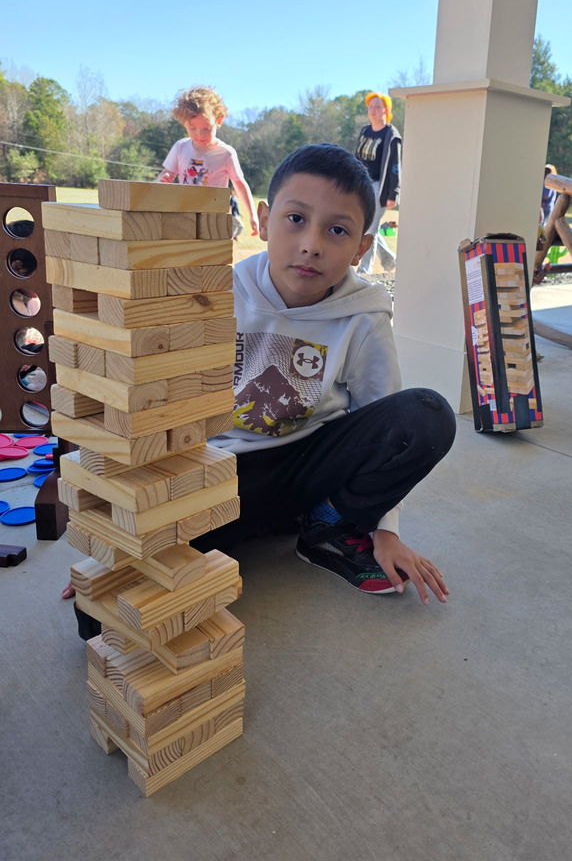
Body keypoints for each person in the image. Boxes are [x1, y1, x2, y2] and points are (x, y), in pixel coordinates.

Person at [202, 143, 456, 603]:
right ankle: (252, 527)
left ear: (361, 247)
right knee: (101, 619)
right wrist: (128, 541)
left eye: (337, 230)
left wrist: (384, 528)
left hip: (307, 470)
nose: (311, 245)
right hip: (221, 474)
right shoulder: (217, 293)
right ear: (263, 219)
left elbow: (382, 415)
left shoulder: (364, 315)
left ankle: (328, 526)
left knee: (426, 414)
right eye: (295, 219)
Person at [155, 85, 258, 237]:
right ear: (184, 123)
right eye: (192, 128)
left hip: (214, 219)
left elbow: (239, 184)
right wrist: (161, 181)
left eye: (206, 128)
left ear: (219, 120)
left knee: (211, 257)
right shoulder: (180, 147)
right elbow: (166, 175)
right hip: (184, 215)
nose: (199, 135)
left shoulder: (226, 153)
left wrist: (252, 215)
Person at [354, 91, 401, 274]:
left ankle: (364, 270)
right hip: (361, 184)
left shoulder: (391, 134)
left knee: (370, 228)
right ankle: (389, 260)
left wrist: (393, 193)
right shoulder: (365, 131)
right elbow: (357, 157)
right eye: (371, 107)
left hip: (379, 187)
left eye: (378, 107)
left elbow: (395, 165)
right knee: (367, 225)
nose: (374, 110)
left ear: (386, 110)